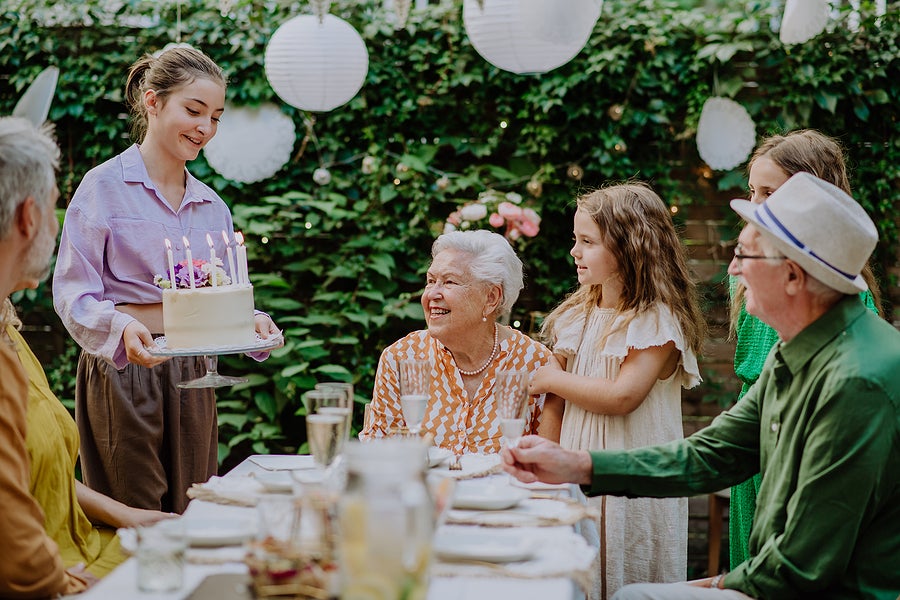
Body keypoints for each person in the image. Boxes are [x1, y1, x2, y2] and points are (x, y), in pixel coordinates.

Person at [502, 172, 900, 599]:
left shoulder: (856, 382)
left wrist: (711, 584)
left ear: (791, 276)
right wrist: (580, 467)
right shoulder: (800, 350)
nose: (732, 269)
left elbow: (802, 566)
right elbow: (713, 455)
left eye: (746, 255)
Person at [53, 47, 280, 514]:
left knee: (193, 508)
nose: (205, 128)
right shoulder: (102, 188)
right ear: (152, 102)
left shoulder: (211, 205)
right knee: (133, 516)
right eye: (194, 111)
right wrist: (123, 325)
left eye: (216, 117)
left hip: (195, 371)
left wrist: (252, 322)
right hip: (126, 371)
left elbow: (219, 296)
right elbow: (73, 294)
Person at [530, 183, 706, 598]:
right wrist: (547, 471)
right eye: (576, 240)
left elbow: (624, 396)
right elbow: (554, 405)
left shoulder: (655, 320)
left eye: (587, 241)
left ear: (630, 249)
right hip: (577, 476)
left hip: (633, 487)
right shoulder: (577, 315)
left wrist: (552, 377)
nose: (574, 251)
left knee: (628, 576)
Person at [728, 129, 882, 570]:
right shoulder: (753, 268)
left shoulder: (850, 307)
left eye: (770, 193)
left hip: (805, 442)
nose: (756, 206)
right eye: (752, 191)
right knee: (749, 564)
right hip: (755, 426)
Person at [4, 296, 174, 578]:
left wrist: (127, 515)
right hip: (44, 570)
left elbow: (47, 474)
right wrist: (51, 582)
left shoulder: (9, 335)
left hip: (87, 547)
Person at [0, 117, 95, 596]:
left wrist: (132, 516)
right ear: (29, 217)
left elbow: (28, 472)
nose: (59, 230)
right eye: (57, 210)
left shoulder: (9, 331)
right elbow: (21, 563)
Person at [360, 229, 554, 453]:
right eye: (430, 281)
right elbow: (378, 454)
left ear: (491, 298)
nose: (432, 294)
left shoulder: (535, 364)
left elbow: (546, 463)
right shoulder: (402, 358)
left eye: (449, 282)